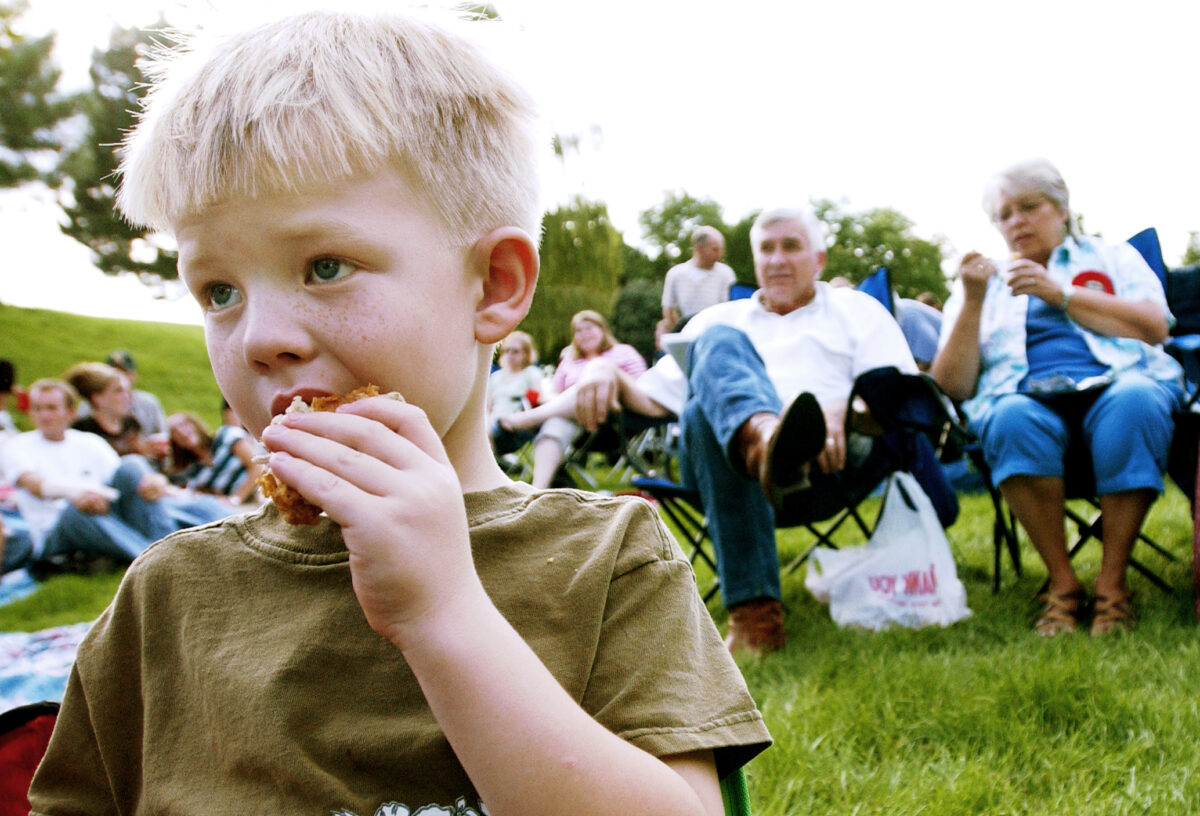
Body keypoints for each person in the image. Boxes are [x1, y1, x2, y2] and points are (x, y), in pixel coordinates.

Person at [29, 11, 769, 814]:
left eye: (325, 267)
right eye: (219, 291)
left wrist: (443, 613)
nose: (261, 338)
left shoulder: (605, 561)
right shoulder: (166, 599)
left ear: (493, 286)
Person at [560, 207, 921, 656]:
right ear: (754, 260)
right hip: (732, 469)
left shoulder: (857, 310)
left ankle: (756, 619)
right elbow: (651, 401)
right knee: (714, 347)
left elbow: (900, 398)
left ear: (819, 259)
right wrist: (602, 369)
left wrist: (844, 406)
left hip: (831, 463)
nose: (777, 259)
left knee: (700, 412)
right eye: (766, 249)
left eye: (791, 246)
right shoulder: (718, 319)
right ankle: (767, 442)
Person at [931, 158, 1184, 637]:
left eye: (1029, 206)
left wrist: (1061, 294)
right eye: (1003, 215)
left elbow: (1155, 327)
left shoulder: (1112, 258)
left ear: (1062, 209)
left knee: (1136, 399)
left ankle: (1112, 586)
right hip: (1025, 400)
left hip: (1116, 387)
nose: (1016, 221)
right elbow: (953, 387)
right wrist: (973, 302)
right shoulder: (981, 284)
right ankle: (1063, 584)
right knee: (1008, 416)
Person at [0, 379, 227, 572]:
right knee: (76, 511)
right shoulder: (18, 446)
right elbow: (34, 484)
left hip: (105, 514)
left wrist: (156, 482)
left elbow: (125, 477)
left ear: (70, 412)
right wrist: (79, 495)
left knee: (132, 464)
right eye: (37, 409)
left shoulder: (88, 442)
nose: (43, 415)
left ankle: (169, 545)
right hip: (56, 532)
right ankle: (161, 562)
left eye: (51, 408)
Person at [499, 310, 647, 488]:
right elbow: (554, 393)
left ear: (603, 329)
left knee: (585, 387)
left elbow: (639, 389)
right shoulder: (569, 361)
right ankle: (537, 490)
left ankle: (528, 418)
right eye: (578, 330)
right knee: (555, 423)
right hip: (575, 423)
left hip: (613, 421)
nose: (584, 334)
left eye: (589, 328)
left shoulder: (624, 352)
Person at [64, 361, 167, 463]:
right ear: (98, 398)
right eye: (119, 391)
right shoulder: (82, 431)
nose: (128, 397)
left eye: (128, 391)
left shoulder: (131, 424)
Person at [165, 408, 263, 507]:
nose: (182, 432)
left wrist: (236, 498)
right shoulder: (193, 473)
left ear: (195, 425)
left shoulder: (226, 437)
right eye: (175, 432)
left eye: (184, 425)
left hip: (260, 491)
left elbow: (257, 466)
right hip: (238, 508)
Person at [661, 226, 737, 331]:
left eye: (721, 250)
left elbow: (731, 310)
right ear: (699, 248)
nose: (719, 255)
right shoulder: (675, 274)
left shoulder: (726, 273)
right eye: (715, 249)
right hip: (687, 333)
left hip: (717, 333)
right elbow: (668, 310)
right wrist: (676, 332)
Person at [485, 330, 543, 455]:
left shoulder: (531, 373)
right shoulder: (496, 376)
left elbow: (534, 402)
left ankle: (487, 463)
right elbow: (487, 407)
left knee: (485, 433)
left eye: (515, 351)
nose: (510, 355)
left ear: (526, 353)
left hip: (516, 425)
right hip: (492, 422)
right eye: (507, 350)